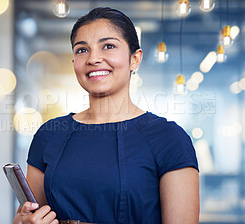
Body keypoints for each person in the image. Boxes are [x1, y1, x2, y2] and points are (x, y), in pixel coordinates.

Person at [13, 7, 199, 224]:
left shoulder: (169, 138)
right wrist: (21, 222)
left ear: (135, 59)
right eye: (82, 50)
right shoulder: (49, 135)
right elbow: (31, 215)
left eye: (108, 46)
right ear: (74, 62)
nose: (93, 58)